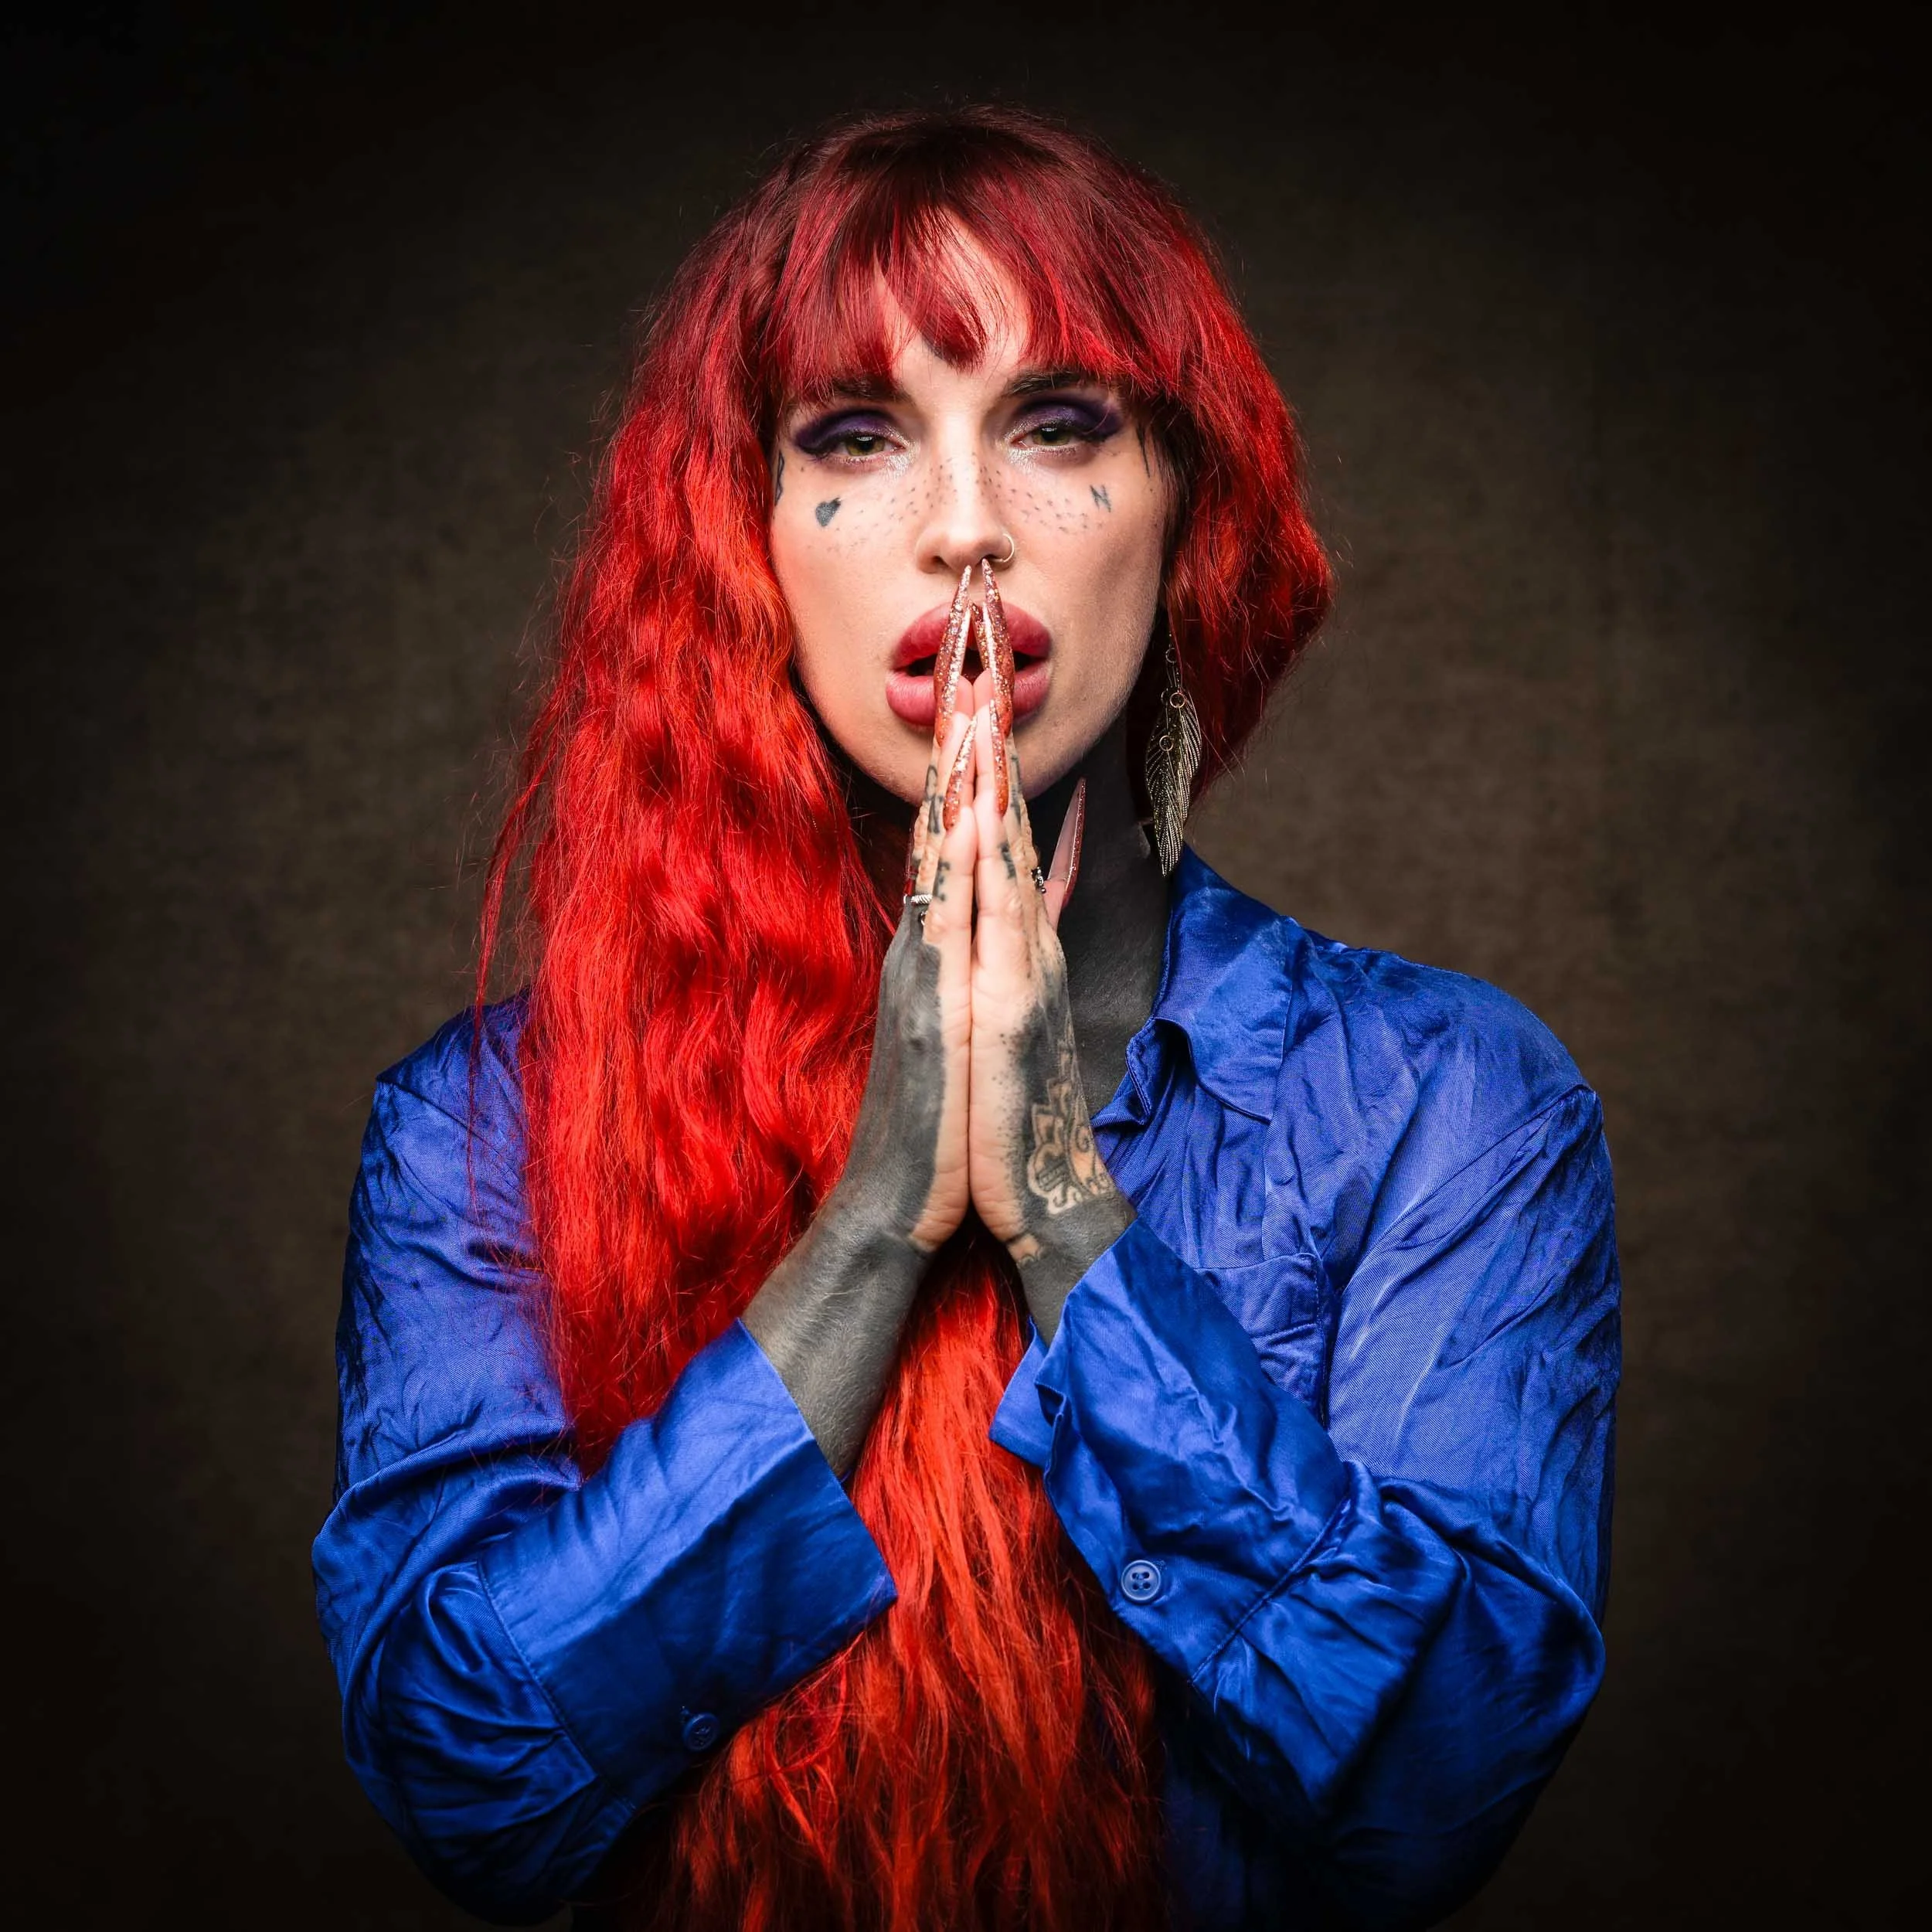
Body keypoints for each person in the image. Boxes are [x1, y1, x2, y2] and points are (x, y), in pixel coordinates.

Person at [314, 107, 1620, 1932]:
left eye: (1056, 427)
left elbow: (1436, 1786)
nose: (960, 533)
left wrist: (1059, 1204)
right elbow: (473, 1781)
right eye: (854, 437)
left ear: (1185, 513)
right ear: (744, 538)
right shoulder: (479, 1132)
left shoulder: (1444, 1105)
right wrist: (871, 1225)